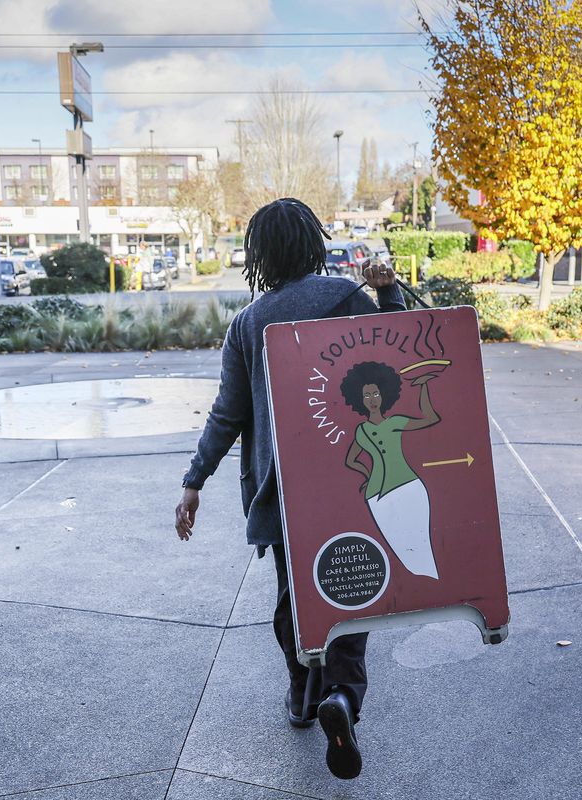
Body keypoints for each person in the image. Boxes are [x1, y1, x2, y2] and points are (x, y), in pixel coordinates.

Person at [175, 197, 405, 780]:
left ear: (260, 257)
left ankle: (304, 692)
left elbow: (227, 415)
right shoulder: (347, 298)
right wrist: (390, 295)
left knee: (292, 592)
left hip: (282, 492)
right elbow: (393, 359)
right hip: (352, 479)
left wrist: (194, 481)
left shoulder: (249, 324)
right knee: (350, 585)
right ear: (313, 243)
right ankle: (342, 697)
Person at [342, 361, 441, 578]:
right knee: (401, 547)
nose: (372, 400)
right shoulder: (362, 431)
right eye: (366, 395)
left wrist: (423, 387)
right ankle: (421, 586)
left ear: (383, 394)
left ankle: (432, 584)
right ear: (359, 400)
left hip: (409, 487)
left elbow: (431, 418)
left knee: (421, 541)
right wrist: (368, 475)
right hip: (377, 497)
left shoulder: (395, 422)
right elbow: (351, 460)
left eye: (375, 393)